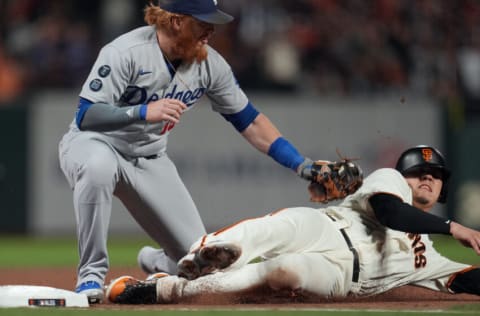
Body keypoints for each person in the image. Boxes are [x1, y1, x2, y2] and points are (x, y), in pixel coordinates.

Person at [58, 0, 330, 304]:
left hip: (149, 159)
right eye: (203, 22)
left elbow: (250, 122)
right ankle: (91, 276)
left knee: (202, 266)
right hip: (94, 143)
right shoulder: (125, 52)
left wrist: (302, 165)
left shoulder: (210, 64)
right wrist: (142, 111)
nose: (211, 30)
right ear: (176, 21)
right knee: (98, 167)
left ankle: (160, 262)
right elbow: (87, 115)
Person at [105, 145, 480, 304]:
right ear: (404, 176)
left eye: (434, 175)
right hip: (327, 226)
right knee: (274, 228)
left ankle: (164, 289)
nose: (426, 179)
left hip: (342, 275)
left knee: (284, 274)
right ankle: (199, 254)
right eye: (418, 172)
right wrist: (454, 228)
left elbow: (468, 281)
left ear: (444, 186)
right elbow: (390, 214)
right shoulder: (390, 182)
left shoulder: (431, 261)